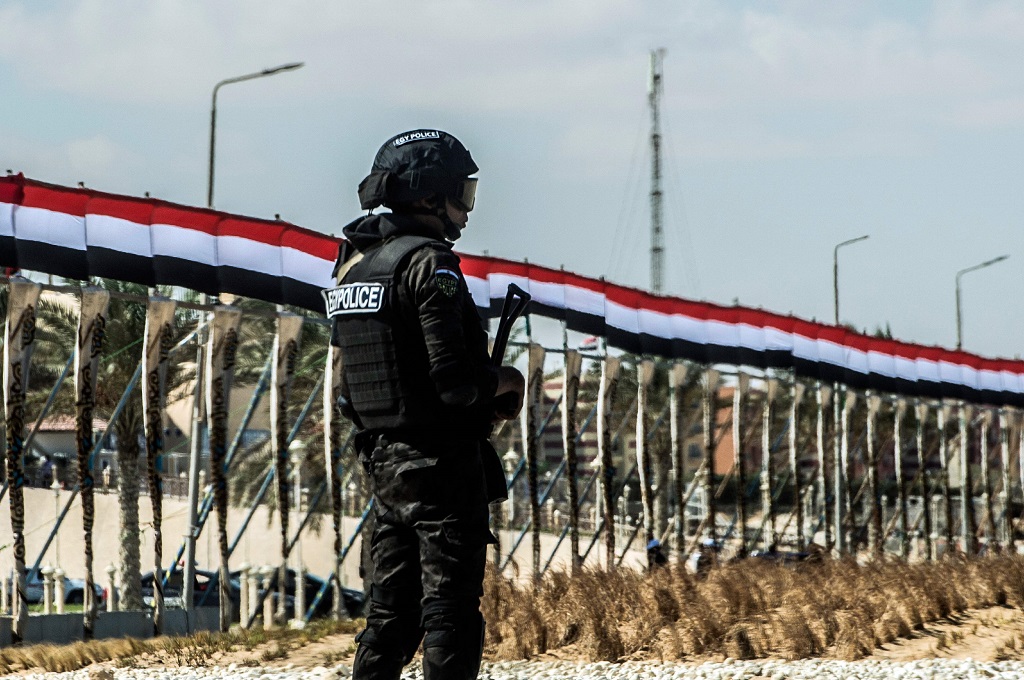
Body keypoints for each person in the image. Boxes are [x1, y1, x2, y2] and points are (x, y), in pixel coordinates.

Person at [326, 129, 525, 680]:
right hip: (441, 469)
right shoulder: (429, 263)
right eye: (462, 194)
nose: (466, 210)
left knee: (389, 620)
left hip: (383, 467)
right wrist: (507, 384)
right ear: (430, 197)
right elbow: (455, 383)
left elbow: (351, 389)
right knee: (449, 615)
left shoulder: (354, 267)